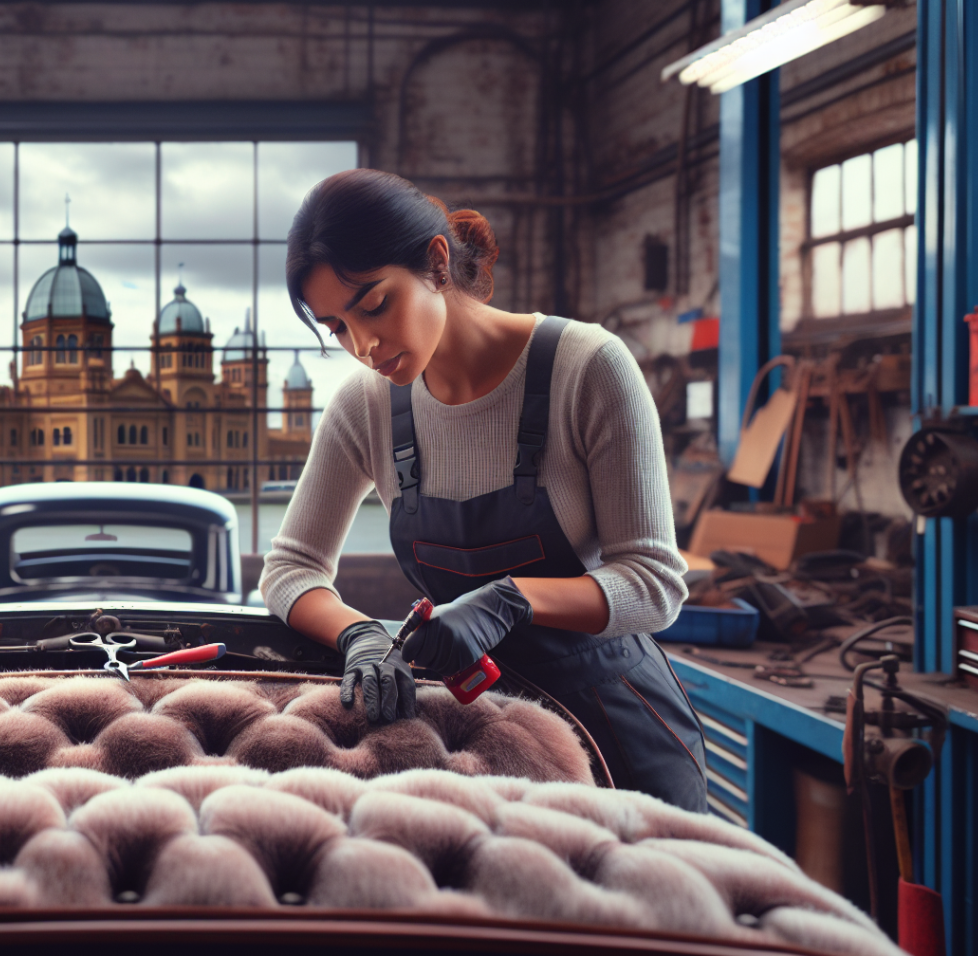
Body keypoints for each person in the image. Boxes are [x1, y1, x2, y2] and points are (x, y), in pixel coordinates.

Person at [260, 168, 707, 812]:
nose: (364, 345)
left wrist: (510, 599)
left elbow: (655, 586)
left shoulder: (588, 369)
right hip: (483, 728)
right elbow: (289, 570)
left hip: (618, 732)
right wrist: (360, 635)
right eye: (337, 329)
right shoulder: (366, 406)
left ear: (436, 263)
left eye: (375, 305)